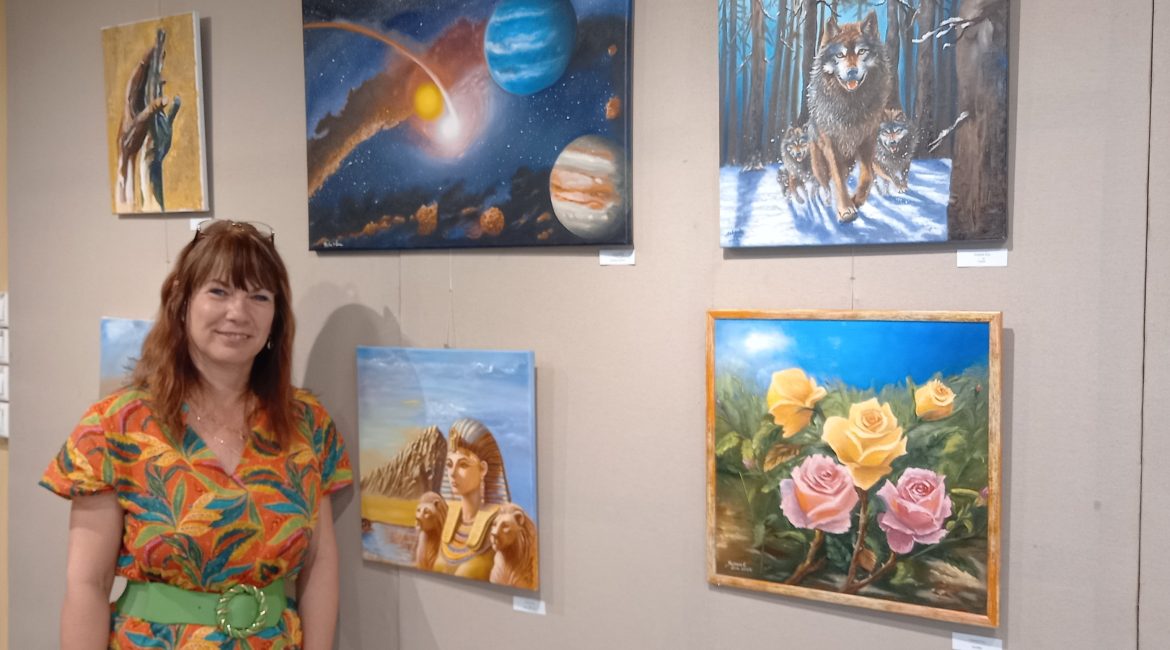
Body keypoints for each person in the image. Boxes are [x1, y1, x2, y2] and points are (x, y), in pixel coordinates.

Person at [40, 220, 352, 649]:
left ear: (276, 317)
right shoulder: (114, 425)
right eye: (219, 291)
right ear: (182, 302)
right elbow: (87, 584)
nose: (238, 313)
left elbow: (319, 565)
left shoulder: (307, 424)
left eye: (259, 296)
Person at [429, 418, 511, 581]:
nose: (452, 473)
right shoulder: (446, 520)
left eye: (463, 465)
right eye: (449, 464)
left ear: (483, 469)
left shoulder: (499, 527)